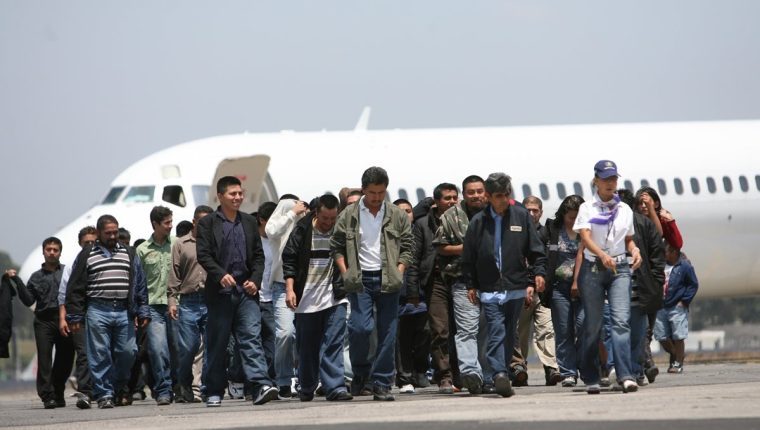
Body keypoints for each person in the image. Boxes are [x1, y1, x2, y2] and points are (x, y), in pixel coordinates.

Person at [331, 166, 414, 401]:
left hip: (388, 278)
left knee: (388, 332)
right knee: (360, 328)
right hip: (360, 279)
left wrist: (399, 270)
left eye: (381, 192)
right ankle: (360, 374)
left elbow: (408, 246)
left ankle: (382, 382)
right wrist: (345, 272)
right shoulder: (349, 214)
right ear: (364, 190)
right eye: (372, 193)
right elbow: (336, 245)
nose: (377, 198)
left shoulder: (396, 214)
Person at [461, 173, 546, 398]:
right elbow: (468, 256)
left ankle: (501, 372)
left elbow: (535, 249)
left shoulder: (521, 216)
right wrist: (471, 284)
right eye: (499, 196)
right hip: (489, 288)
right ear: (489, 197)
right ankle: (498, 373)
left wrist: (537, 274)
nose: (504, 199)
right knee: (496, 330)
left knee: (510, 333)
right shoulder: (478, 222)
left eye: (507, 194)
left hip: (515, 286)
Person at [196, 176, 277, 407]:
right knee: (218, 344)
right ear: (220, 196)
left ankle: (260, 385)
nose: (238, 197)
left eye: (240, 193)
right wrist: (220, 275)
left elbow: (259, 257)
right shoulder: (208, 223)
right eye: (233, 194)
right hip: (220, 294)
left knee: (251, 338)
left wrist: (255, 280)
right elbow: (204, 255)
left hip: (246, 293)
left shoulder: (249, 222)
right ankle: (213, 390)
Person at [66, 214, 151, 409]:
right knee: (100, 353)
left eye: (115, 232)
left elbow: (139, 284)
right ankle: (104, 394)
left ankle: (119, 386)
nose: (113, 236)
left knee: (128, 352)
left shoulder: (129, 253)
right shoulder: (87, 254)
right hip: (98, 310)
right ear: (98, 233)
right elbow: (75, 286)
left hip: (123, 311)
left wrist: (143, 310)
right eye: (108, 233)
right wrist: (75, 315)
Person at [573, 160, 642, 394]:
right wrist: (602, 255)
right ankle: (592, 375)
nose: (611, 183)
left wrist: (635, 250)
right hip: (593, 268)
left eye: (614, 178)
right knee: (593, 324)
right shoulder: (587, 208)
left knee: (621, 322)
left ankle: (625, 375)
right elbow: (585, 236)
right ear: (596, 181)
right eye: (606, 179)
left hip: (620, 268)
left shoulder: (625, 209)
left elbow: (629, 238)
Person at [283, 194, 353, 402]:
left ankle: (335, 387)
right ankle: (307, 386)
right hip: (306, 298)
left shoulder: (341, 230)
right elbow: (289, 260)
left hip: (334, 296)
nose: (328, 223)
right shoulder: (302, 230)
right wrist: (290, 289)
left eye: (332, 219)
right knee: (307, 347)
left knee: (333, 342)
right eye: (325, 219)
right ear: (316, 213)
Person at [435, 175, 489, 394]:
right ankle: (471, 373)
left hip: (492, 281)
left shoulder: (495, 213)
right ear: (464, 195)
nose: (476, 195)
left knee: (488, 330)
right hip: (463, 281)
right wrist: (468, 247)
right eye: (471, 192)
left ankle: (488, 375)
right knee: (467, 329)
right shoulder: (451, 216)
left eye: (479, 191)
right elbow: (441, 247)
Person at [408, 183, 460, 394]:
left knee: (463, 330)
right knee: (440, 331)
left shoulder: (464, 220)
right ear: (436, 201)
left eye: (455, 197)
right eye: (447, 198)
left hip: (460, 279)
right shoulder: (422, 224)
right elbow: (413, 258)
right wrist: (413, 291)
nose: (452, 201)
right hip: (435, 281)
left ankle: (462, 373)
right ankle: (444, 376)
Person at [14, 237, 75, 409]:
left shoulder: (67, 273)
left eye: (55, 249)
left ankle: (58, 391)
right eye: (49, 249)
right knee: (45, 359)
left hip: (65, 320)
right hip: (44, 321)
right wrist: (18, 283)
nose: (52, 252)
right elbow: (28, 301)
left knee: (65, 359)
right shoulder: (35, 277)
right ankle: (47, 396)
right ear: (43, 252)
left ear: (60, 252)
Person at [617, 189, 666, 386]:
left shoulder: (643, 224)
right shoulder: (612, 224)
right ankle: (626, 370)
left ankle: (636, 371)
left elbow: (657, 253)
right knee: (623, 331)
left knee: (638, 332)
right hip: (623, 288)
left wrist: (656, 281)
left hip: (641, 288)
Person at [512, 196, 561, 386]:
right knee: (520, 332)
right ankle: (519, 368)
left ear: (541, 212)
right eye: (528, 210)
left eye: (535, 210)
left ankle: (551, 368)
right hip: (522, 290)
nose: (532, 214)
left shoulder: (547, 233)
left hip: (544, 292)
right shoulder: (517, 233)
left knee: (546, 329)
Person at [168, 205, 214, 403]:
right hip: (188, 302)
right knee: (189, 347)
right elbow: (174, 274)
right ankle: (184, 382)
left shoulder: (215, 242)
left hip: (211, 300)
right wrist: (172, 301)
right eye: (202, 222)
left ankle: (200, 388)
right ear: (194, 222)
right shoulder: (181, 244)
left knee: (209, 347)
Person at [265, 195, 309, 398]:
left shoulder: (305, 223)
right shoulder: (281, 223)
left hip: (307, 286)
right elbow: (271, 231)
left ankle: (306, 378)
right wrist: (292, 213)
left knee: (306, 335)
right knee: (285, 333)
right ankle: (283, 379)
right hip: (282, 286)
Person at [543, 195, 585, 387]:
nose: (574, 221)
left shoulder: (587, 232)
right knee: (563, 330)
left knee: (584, 326)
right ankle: (568, 371)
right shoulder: (553, 230)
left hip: (584, 288)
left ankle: (584, 365)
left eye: (578, 217)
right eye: (570, 218)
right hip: (559, 288)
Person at [136, 206, 175, 405]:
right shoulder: (142, 250)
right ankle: (163, 390)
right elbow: (137, 283)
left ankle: (183, 387)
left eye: (171, 221)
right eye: (167, 223)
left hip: (177, 305)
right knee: (158, 350)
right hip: (153, 307)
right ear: (155, 224)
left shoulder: (176, 244)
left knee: (183, 349)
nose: (171, 226)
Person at [393, 198, 431, 394]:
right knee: (403, 339)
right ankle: (405, 376)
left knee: (424, 334)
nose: (405, 214)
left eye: (408, 211)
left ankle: (421, 370)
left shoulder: (419, 232)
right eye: (400, 211)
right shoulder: (389, 235)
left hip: (421, 295)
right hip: (399, 296)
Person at [57, 226, 97, 408]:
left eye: (92, 242)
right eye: (86, 242)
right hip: (78, 316)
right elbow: (64, 295)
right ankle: (85, 392)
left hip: (100, 313)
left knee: (102, 352)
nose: (89, 245)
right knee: (83, 354)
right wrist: (63, 318)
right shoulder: (72, 265)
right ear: (80, 243)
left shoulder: (103, 260)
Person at [655, 244, 698, 374]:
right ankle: (676, 354)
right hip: (661, 306)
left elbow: (693, 284)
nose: (664, 255)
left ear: (673, 252)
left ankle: (678, 363)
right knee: (661, 336)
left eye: (666, 252)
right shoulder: (661, 265)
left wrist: (684, 301)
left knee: (678, 336)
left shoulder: (684, 266)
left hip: (676, 306)